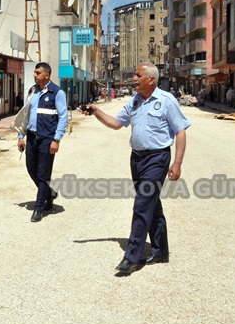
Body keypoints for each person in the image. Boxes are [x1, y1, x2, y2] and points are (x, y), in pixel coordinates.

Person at [83, 63, 190, 274]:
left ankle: (131, 257)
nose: (134, 78)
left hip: (157, 159)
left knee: (142, 205)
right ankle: (160, 251)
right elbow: (116, 123)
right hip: (137, 159)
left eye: (138, 75)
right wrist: (96, 111)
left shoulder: (167, 100)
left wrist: (177, 163)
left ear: (151, 79)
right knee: (152, 204)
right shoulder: (135, 101)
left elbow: (181, 131)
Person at [16, 62, 68, 222]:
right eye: (34, 72)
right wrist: (20, 135)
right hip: (32, 137)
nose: (35, 75)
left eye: (38, 73)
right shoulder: (32, 91)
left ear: (47, 75)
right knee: (31, 169)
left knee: (43, 174)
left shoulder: (57, 92)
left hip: (47, 139)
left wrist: (56, 139)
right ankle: (49, 193)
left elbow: (63, 117)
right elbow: (25, 114)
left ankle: (39, 208)